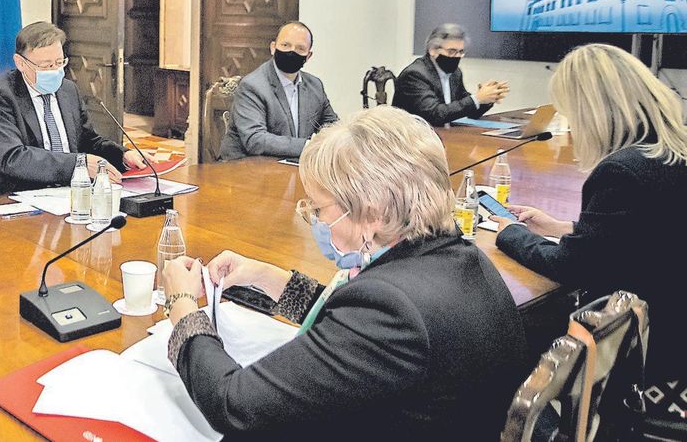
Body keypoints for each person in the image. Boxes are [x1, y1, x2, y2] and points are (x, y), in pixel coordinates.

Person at [162, 106, 526, 439]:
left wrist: (182, 307)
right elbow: (351, 339)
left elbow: (234, 405)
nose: (315, 221)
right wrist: (265, 276)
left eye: (319, 209)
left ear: (372, 213)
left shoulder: (390, 309)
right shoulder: (456, 256)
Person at [492, 43, 687, 413]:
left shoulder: (622, 171)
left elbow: (574, 265)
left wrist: (508, 233)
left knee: (507, 340)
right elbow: (645, 232)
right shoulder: (667, 150)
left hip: (647, 350)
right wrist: (564, 225)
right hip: (676, 321)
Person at [0, 21, 146, 197]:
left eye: (59, 62)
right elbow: (12, 158)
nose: (55, 71)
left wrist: (123, 156)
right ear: (20, 63)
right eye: (46, 65)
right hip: (15, 199)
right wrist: (78, 164)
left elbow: (88, 142)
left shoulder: (68, 90)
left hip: (70, 194)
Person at [219, 21, 338, 161]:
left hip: (293, 168)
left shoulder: (315, 85)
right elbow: (255, 140)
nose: (291, 52)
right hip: (246, 169)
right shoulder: (252, 86)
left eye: (300, 48)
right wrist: (309, 145)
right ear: (273, 48)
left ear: (308, 56)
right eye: (285, 45)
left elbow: (331, 125)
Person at [393, 23, 508, 125]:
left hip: (443, 136)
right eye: (452, 51)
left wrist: (487, 99)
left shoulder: (455, 73)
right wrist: (477, 99)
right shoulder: (415, 75)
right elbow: (435, 114)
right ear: (432, 50)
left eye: (461, 52)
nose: (457, 56)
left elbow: (465, 110)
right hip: (413, 140)